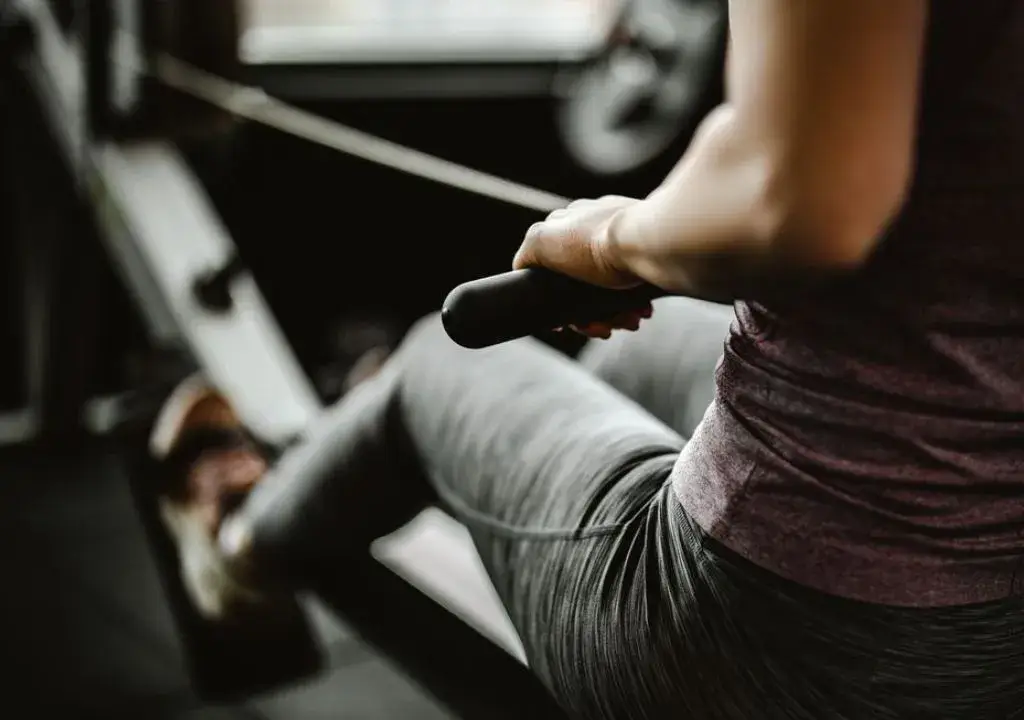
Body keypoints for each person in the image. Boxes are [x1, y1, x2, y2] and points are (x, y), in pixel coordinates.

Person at [152, 1, 1024, 717]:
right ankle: (466, 462)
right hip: (999, 627)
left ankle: (239, 553)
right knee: (632, 360)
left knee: (438, 369)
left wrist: (609, 240)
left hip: (777, 646)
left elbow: (796, 204)